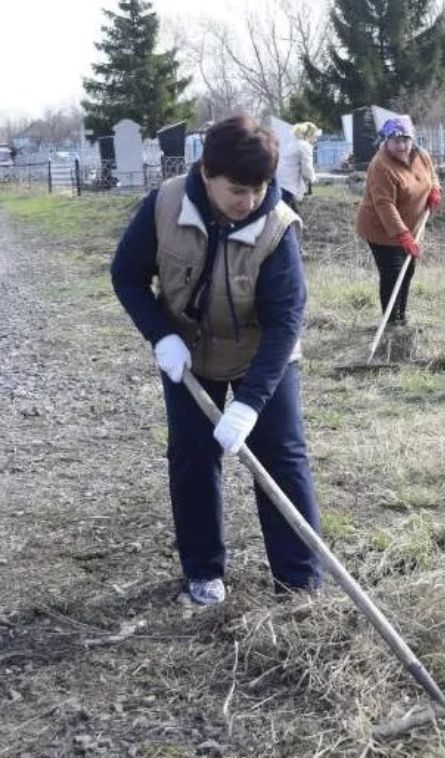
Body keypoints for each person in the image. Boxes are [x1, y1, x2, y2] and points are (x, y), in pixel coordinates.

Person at [111, 114, 323, 606]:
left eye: (259, 187)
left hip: (261, 356)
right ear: (206, 171)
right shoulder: (165, 205)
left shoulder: (277, 226)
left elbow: (286, 320)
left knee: (282, 460)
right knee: (191, 456)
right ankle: (204, 572)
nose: (248, 201)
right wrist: (160, 335)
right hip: (187, 355)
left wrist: (250, 403)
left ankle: (299, 584)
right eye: (236, 189)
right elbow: (126, 276)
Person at [354, 115, 442, 328]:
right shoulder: (380, 166)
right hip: (382, 229)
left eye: (405, 139)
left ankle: (402, 316)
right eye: (396, 140)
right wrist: (402, 234)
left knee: (408, 270)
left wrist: (435, 190)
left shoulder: (421, 155)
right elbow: (384, 205)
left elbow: (432, 175)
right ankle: (391, 323)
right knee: (393, 273)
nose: (402, 145)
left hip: (412, 226)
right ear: (386, 140)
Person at [276, 121, 319, 214]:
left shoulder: (292, 144)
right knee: (288, 215)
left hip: (280, 183)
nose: (315, 140)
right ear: (309, 135)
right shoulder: (305, 146)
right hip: (288, 187)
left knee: (293, 214)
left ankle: (299, 227)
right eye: (314, 136)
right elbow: (307, 170)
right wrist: (313, 179)